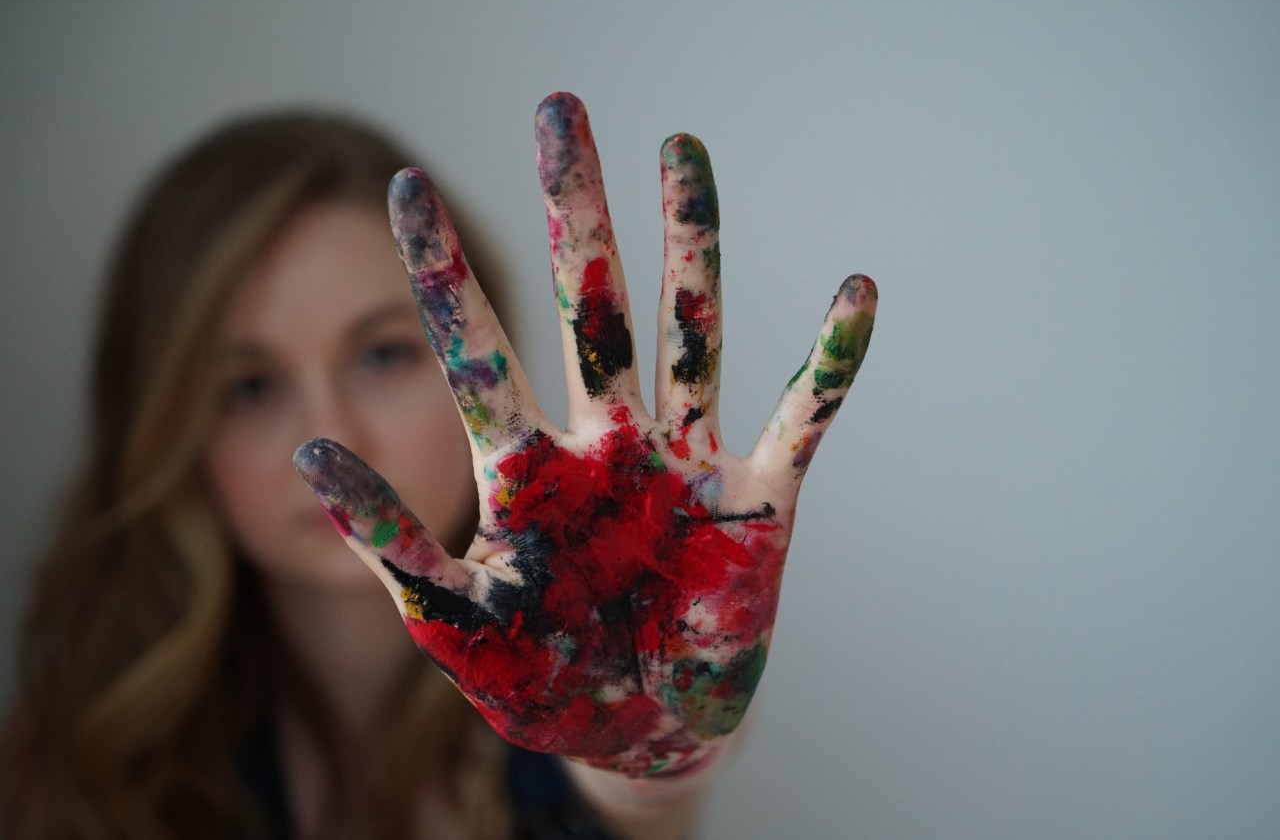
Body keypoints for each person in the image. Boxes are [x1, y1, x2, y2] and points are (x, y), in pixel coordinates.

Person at [0, 92, 876, 839]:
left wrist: (653, 747)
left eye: (381, 355)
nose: (330, 431)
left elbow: (637, 790)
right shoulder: (71, 761)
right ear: (166, 425)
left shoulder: (569, 678)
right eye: (252, 385)